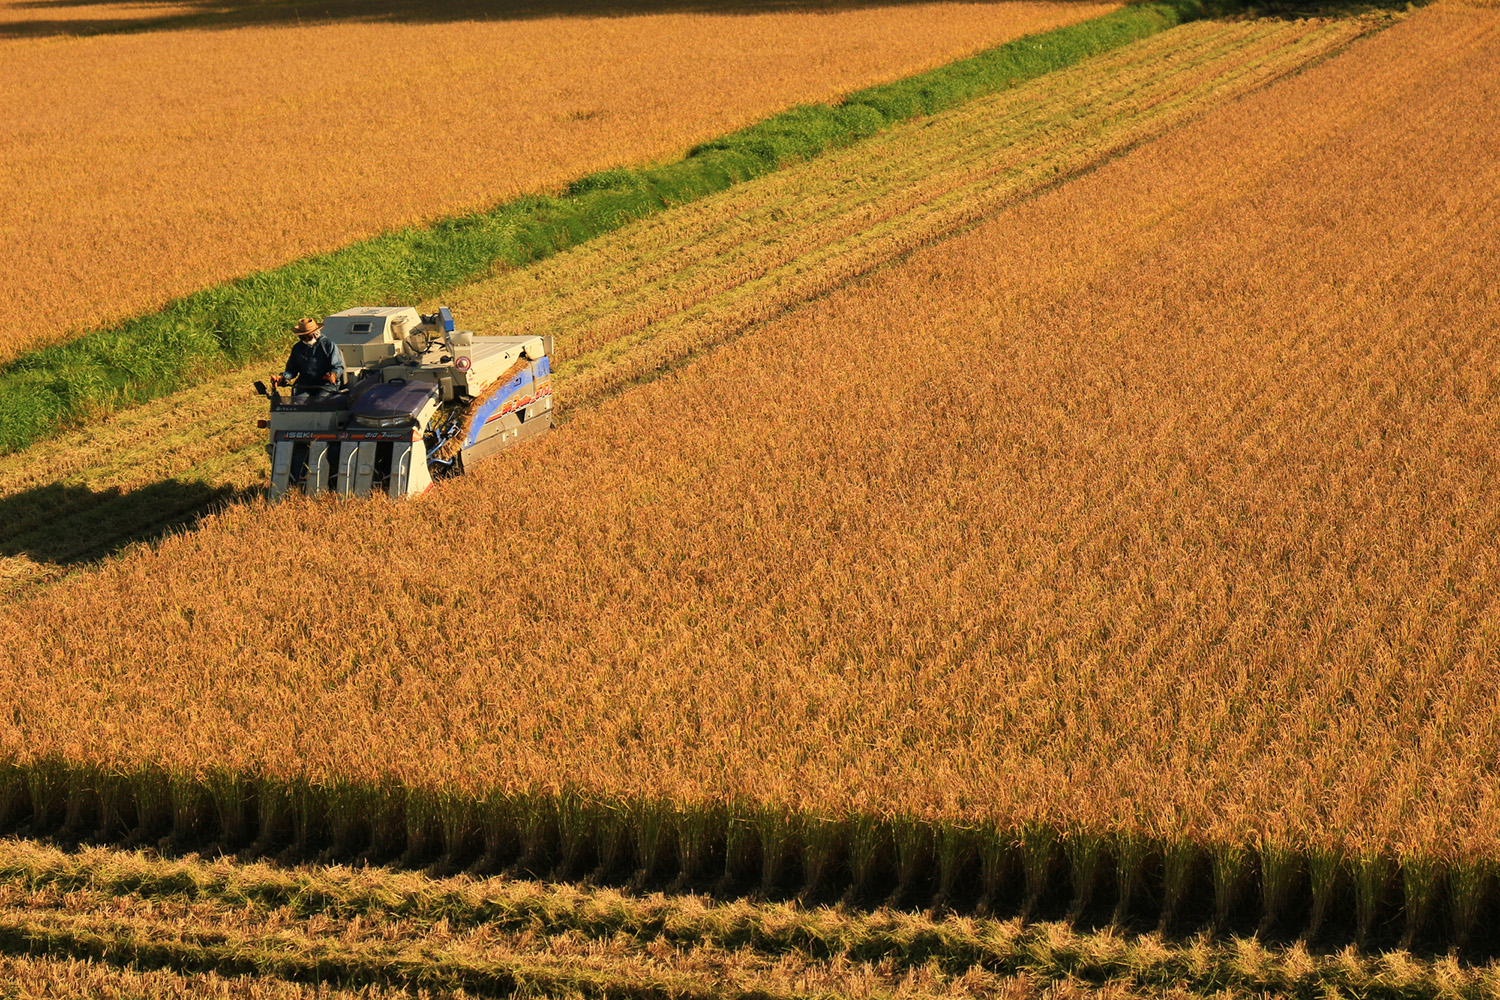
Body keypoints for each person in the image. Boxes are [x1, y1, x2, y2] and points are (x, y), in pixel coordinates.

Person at [272, 317, 344, 397]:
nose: (306, 339)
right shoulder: (297, 348)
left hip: (326, 385)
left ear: (316, 333)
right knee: (297, 403)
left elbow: (338, 367)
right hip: (305, 386)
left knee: (319, 403)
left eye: (308, 336)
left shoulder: (328, 345)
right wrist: (282, 377)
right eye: (302, 337)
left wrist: (333, 374)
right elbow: (292, 370)